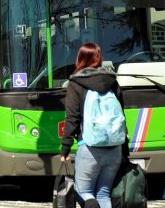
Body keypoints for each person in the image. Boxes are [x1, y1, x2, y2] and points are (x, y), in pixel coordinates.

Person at [60, 43, 126, 208]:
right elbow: (121, 116)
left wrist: (65, 148)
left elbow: (72, 119)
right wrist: (125, 148)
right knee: (103, 194)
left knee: (84, 192)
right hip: (115, 148)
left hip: (89, 146)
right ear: (99, 58)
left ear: (80, 59)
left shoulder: (76, 83)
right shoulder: (112, 81)